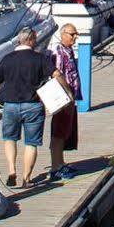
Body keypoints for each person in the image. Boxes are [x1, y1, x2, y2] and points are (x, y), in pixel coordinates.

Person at [0, 27, 55, 188]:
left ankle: (12, 169)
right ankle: (26, 178)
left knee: (9, 139)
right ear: (31, 40)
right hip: (33, 105)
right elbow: (56, 74)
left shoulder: (7, 59)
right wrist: (65, 91)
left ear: (19, 40)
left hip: (11, 105)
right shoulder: (39, 58)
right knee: (31, 143)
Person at [47, 23, 80, 181]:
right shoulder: (59, 52)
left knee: (65, 131)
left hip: (70, 97)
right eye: (72, 34)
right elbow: (57, 75)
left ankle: (60, 163)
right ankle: (55, 167)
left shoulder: (69, 50)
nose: (75, 37)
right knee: (58, 133)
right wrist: (66, 96)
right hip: (63, 99)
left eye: (76, 34)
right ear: (63, 34)